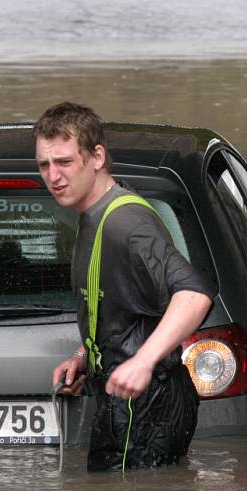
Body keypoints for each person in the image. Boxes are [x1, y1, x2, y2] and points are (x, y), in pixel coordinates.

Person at [33, 102, 214, 471]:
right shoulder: (92, 214)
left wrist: (142, 362)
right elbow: (122, 308)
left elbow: (195, 294)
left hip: (147, 404)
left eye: (64, 162)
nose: (53, 176)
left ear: (97, 156)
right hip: (129, 402)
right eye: (44, 165)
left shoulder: (126, 222)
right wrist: (85, 356)